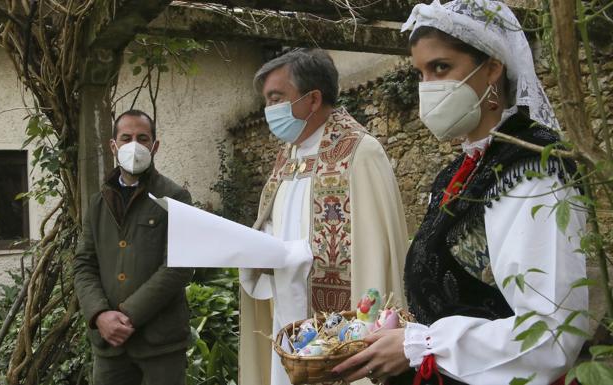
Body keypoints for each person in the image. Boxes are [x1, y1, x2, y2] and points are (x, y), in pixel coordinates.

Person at [332, 1, 588, 384]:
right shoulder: (459, 172)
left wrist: (422, 344)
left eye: (441, 67)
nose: (428, 87)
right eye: (420, 73)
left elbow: (551, 333)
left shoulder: (531, 168)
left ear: (492, 68)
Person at [239, 48, 410, 385]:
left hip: (340, 326)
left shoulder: (360, 153)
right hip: (286, 315)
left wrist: (299, 256)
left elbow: (377, 254)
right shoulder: (285, 160)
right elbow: (274, 226)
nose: (269, 110)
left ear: (313, 99)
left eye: (276, 98)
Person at [73, 110, 194, 385]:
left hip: (161, 346)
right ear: (113, 146)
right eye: (126, 138)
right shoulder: (97, 202)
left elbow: (180, 266)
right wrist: (100, 314)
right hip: (110, 348)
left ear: (155, 145)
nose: (134, 145)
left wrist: (126, 316)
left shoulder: (175, 197)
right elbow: (84, 264)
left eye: (143, 138)